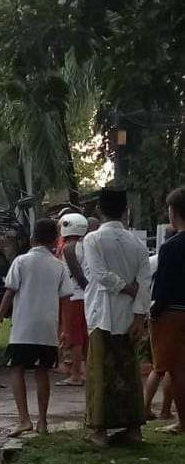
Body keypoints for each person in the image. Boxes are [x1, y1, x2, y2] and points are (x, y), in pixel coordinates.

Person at [83, 187, 151, 447]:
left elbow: (100, 274)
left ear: (99, 210)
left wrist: (124, 286)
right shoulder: (137, 243)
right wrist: (138, 316)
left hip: (103, 314)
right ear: (126, 211)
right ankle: (134, 428)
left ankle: (98, 431)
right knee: (129, 372)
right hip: (130, 315)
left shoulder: (93, 240)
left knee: (100, 371)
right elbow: (145, 283)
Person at [0, 218, 73, 437]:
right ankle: (43, 422)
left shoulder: (21, 261)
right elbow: (66, 300)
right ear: (55, 240)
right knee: (42, 372)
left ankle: (24, 419)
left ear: (32, 239)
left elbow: (9, 293)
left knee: (17, 369)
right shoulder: (59, 266)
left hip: (23, 328)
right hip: (47, 328)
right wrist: (65, 329)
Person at [150, 187, 185, 433]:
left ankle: (183, 422)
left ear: (174, 213)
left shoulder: (171, 247)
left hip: (173, 312)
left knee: (176, 368)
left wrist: (153, 312)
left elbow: (161, 286)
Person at [144, 226, 175, 421]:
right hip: (168, 311)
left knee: (161, 364)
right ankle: (163, 409)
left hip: (154, 310)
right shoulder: (169, 257)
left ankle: (149, 407)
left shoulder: (152, 260)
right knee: (168, 366)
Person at [56, 213, 89, 387]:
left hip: (73, 297)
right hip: (86, 298)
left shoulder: (68, 248)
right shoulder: (86, 245)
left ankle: (76, 374)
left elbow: (77, 275)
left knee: (74, 337)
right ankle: (87, 372)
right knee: (84, 337)